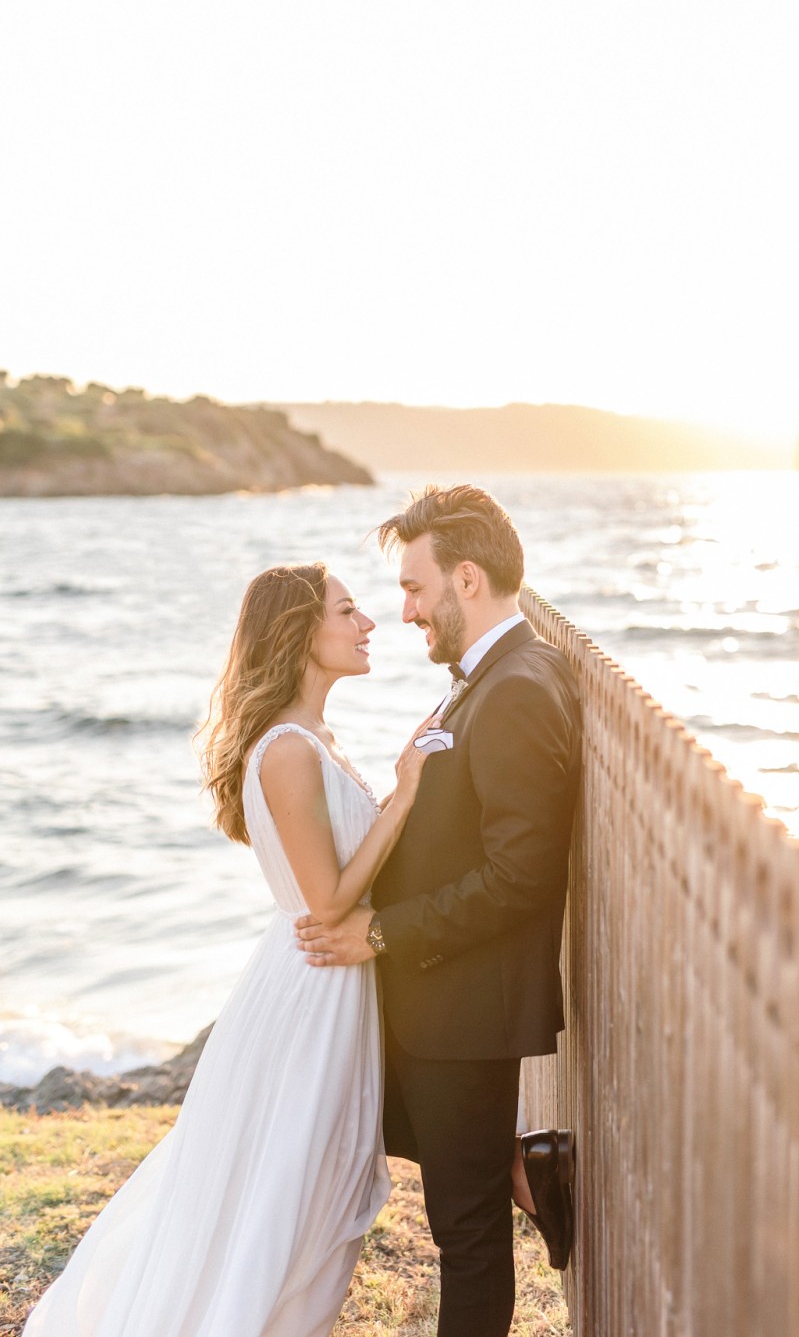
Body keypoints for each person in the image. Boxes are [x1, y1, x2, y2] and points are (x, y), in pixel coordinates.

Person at [24, 562, 432, 1337]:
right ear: (302, 633)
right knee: (286, 1191)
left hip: (329, 981)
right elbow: (329, 900)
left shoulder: (315, 738)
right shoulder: (285, 749)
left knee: (309, 1187)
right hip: (311, 988)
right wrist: (406, 793)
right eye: (348, 611)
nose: (369, 623)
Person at [295, 484, 582, 1337]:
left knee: (466, 1237)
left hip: (465, 1010)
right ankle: (521, 1164)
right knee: (403, 1149)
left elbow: (521, 875)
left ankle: (517, 1168)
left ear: (466, 579)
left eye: (414, 588)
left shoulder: (520, 686)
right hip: (434, 998)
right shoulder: (488, 676)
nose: (405, 610)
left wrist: (378, 931)